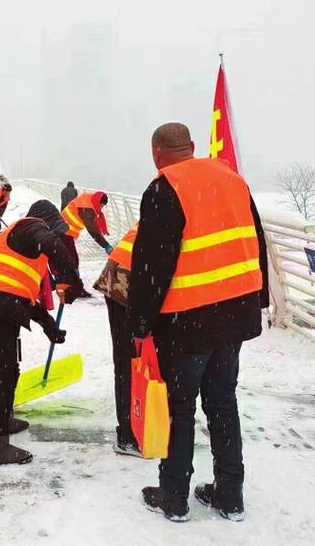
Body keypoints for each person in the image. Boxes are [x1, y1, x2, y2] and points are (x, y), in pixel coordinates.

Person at [128, 122, 268, 523]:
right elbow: (255, 239)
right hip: (235, 312)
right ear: (191, 147)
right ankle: (230, 493)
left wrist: (139, 325)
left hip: (189, 320)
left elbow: (151, 266)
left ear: (156, 154)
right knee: (223, 401)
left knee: (180, 406)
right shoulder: (231, 177)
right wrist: (260, 300)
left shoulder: (163, 189)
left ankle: (173, 495)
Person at [0, 199, 83, 465]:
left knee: (8, 369)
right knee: (3, 373)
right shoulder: (30, 226)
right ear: (46, 221)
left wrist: (48, 325)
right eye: (54, 229)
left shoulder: (22, 244)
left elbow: (22, 296)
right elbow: (52, 245)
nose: (55, 235)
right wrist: (71, 278)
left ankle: (4, 420)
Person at [93, 221, 141, 457]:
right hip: (126, 283)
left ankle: (134, 427)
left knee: (128, 360)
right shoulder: (187, 213)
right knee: (128, 361)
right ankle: (129, 434)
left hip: (122, 277)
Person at [60, 190, 113, 270]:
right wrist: (105, 245)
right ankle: (68, 276)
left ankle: (67, 273)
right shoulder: (87, 209)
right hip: (65, 231)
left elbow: (94, 224)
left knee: (68, 256)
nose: (101, 208)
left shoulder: (89, 200)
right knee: (71, 259)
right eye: (101, 205)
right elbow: (92, 230)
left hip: (64, 227)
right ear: (98, 202)